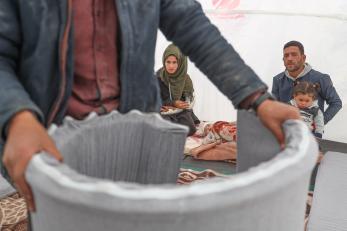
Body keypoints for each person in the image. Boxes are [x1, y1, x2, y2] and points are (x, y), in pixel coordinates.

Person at [0, 0, 300, 213]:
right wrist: (17, 117)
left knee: (141, 218)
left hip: (138, 138)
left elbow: (192, 26)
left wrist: (256, 96)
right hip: (52, 142)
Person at [272, 40, 342, 124]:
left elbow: (336, 103)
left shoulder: (321, 78)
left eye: (294, 54)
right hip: (285, 132)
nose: (289, 58)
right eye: (286, 56)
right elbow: (275, 108)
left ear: (303, 58)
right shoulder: (277, 80)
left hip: (311, 134)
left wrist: (319, 123)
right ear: (283, 59)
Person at [157, 44, 200, 136]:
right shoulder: (158, 77)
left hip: (180, 111)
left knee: (190, 129)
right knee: (164, 126)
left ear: (180, 63)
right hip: (163, 110)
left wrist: (183, 104)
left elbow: (188, 100)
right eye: (168, 62)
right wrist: (171, 103)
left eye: (174, 62)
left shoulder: (185, 79)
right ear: (164, 61)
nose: (171, 66)